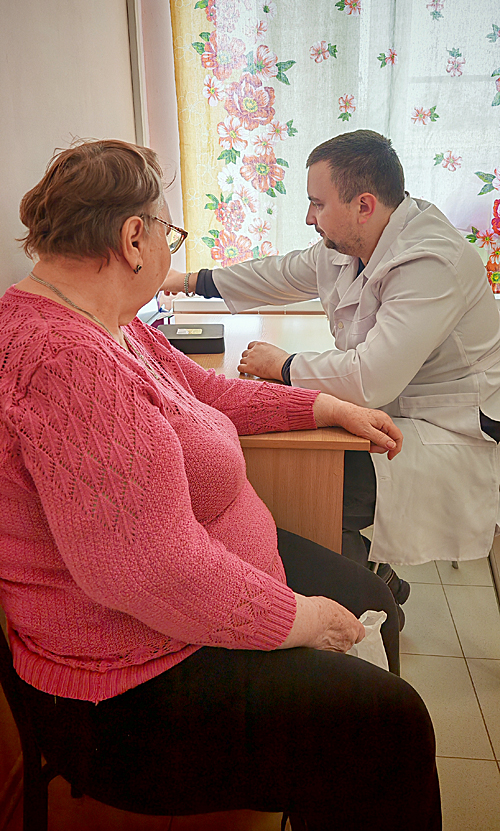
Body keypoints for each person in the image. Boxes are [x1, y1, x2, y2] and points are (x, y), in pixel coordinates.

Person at [0, 139, 442, 831]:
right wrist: (301, 619)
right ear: (133, 238)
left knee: (373, 598)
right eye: (169, 232)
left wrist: (323, 407)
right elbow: (153, 571)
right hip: (130, 689)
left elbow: (207, 392)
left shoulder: (109, 323)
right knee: (392, 722)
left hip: (189, 602)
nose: (170, 248)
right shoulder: (67, 364)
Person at [164, 128, 500, 599]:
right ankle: (375, 582)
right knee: (298, 469)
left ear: (364, 205)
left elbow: (369, 378)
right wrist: (189, 281)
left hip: (450, 429)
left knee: (308, 491)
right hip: (394, 409)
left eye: (317, 204)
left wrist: (283, 366)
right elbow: (281, 273)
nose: (309, 217)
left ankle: (368, 598)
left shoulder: (430, 262)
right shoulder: (356, 244)